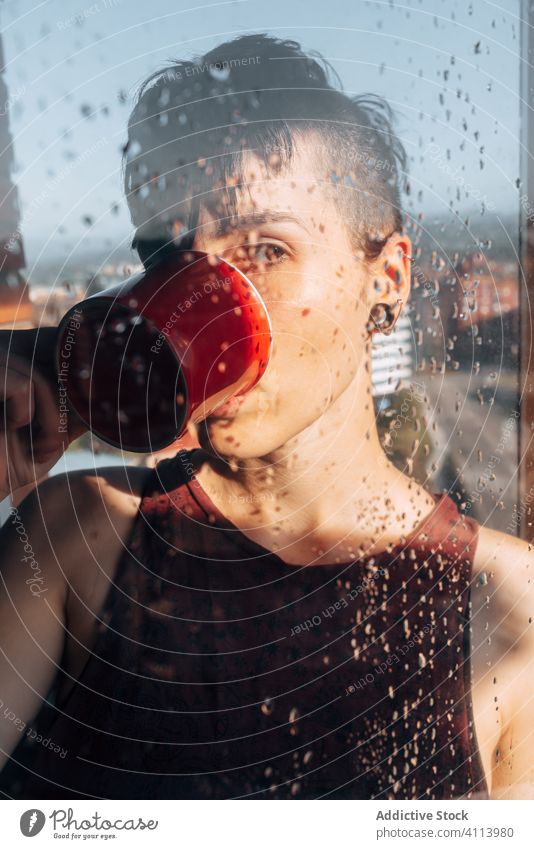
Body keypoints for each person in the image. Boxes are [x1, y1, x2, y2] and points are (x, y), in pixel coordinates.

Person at [0, 34, 532, 800]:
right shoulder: (82, 529)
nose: (209, 292)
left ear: (387, 276)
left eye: (266, 248)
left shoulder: (510, 609)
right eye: (170, 258)